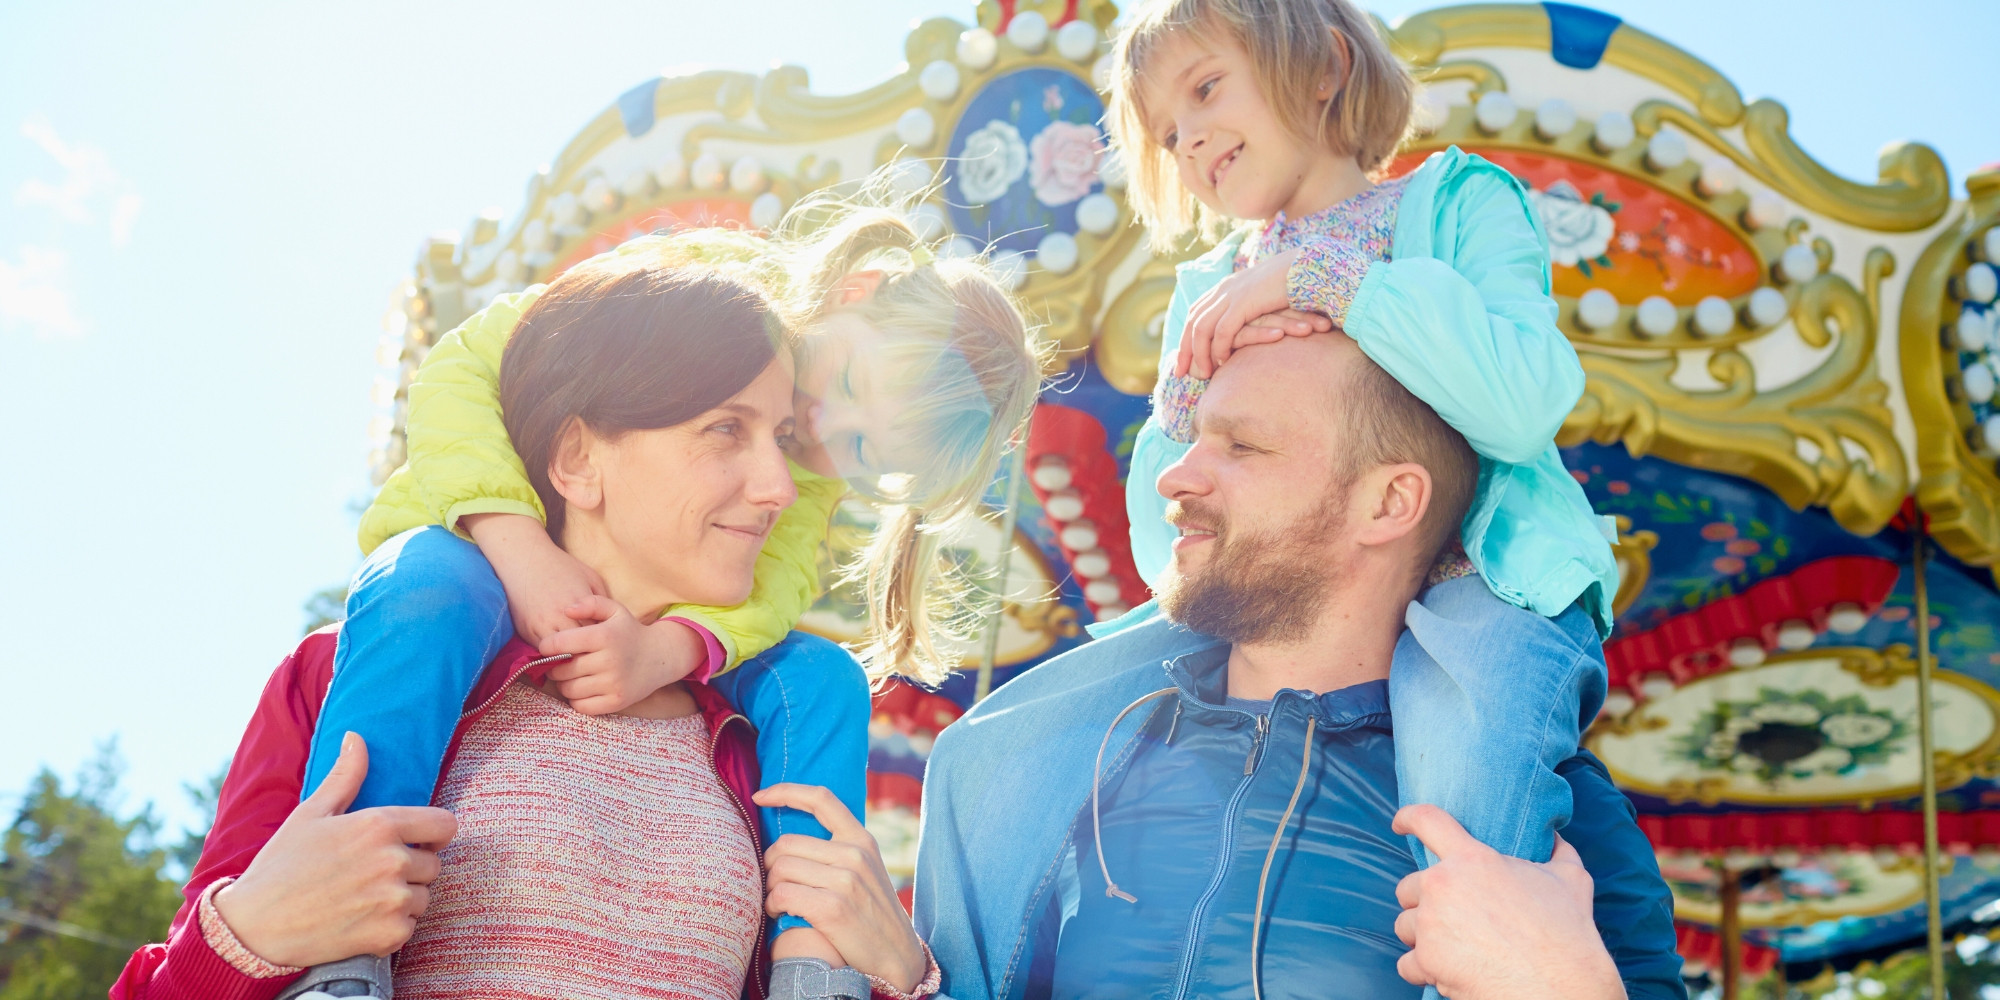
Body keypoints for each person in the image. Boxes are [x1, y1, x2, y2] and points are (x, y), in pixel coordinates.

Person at [752, 335, 1683, 1000]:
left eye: (1243, 446)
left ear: (1389, 501)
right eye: (1195, 439)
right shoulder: (1075, 766)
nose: (1174, 477)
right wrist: (912, 976)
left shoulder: (1551, 818)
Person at [290, 191, 1046, 993]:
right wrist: (516, 545)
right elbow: (466, 364)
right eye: (852, 378)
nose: (826, 425)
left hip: (649, 623)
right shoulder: (703, 293)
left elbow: (776, 586)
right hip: (477, 539)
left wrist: (668, 646)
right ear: (856, 292)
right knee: (426, 580)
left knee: (820, 680)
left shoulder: (803, 466)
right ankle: (340, 950)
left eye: (859, 444)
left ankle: (813, 963)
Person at [113, 260, 896, 1000]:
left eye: (784, 440)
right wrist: (245, 935)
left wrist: (903, 969)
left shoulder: (772, 742)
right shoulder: (337, 677)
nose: (781, 488)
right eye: (727, 430)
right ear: (578, 459)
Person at [1104, 0, 1622, 920]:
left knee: (1462, 796)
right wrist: (1192, 384)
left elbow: (1523, 403)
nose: (1188, 139)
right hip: (1294, 594)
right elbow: (1167, 532)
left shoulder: (1454, 205)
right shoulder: (1206, 285)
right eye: (1166, 131)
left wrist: (1334, 285)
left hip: (1477, 578)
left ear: (1324, 66)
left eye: (1207, 86)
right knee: (1022, 742)